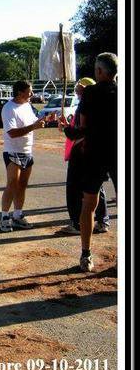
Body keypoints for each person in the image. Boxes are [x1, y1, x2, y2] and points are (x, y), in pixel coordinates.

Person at [74, 53, 118, 272]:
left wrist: (68, 130)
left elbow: (82, 126)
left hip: (95, 153)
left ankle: (86, 255)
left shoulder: (90, 92)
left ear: (100, 71)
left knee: (89, 204)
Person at [0, 80, 55, 232]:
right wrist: (34, 127)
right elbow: (12, 133)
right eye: (29, 91)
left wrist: (45, 120)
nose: (32, 94)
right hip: (13, 151)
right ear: (20, 92)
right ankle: (4, 217)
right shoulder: (9, 108)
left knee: (22, 185)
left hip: (27, 151)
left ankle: (18, 215)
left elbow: (33, 123)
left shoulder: (27, 106)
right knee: (12, 184)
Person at [57, 77, 109, 236]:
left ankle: (77, 223)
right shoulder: (100, 104)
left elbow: (80, 133)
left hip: (82, 153)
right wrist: (67, 126)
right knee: (96, 188)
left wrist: (66, 129)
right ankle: (102, 220)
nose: (76, 90)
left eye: (79, 88)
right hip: (96, 153)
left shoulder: (86, 106)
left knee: (75, 189)